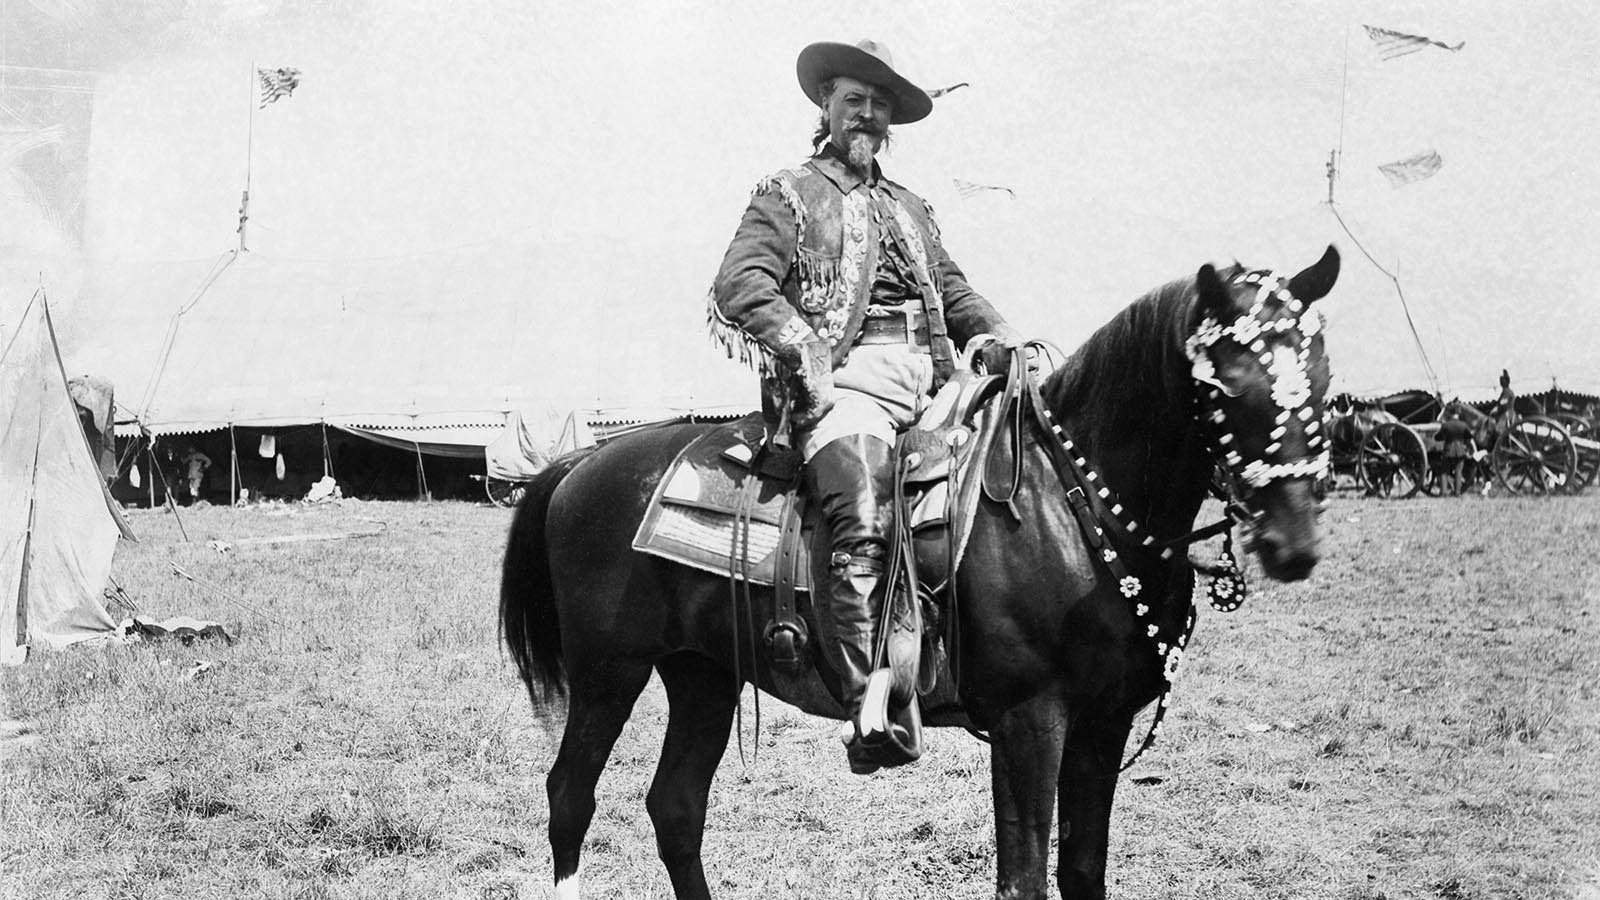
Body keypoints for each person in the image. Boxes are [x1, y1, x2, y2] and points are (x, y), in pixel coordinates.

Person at [710, 39, 1027, 773]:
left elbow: (953, 292)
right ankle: (868, 704)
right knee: (861, 507)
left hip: (936, 376)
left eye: (881, 105)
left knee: (1021, 475)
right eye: (857, 98)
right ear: (826, 103)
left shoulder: (911, 208)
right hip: (848, 382)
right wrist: (803, 349)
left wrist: (1003, 333)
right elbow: (740, 283)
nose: (869, 113)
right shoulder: (788, 193)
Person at [1437, 407, 1475, 496]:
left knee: (1444, 471)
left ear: (1450, 413)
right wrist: (1473, 449)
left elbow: (1439, 437)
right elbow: (1469, 438)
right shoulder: (1463, 425)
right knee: (1458, 471)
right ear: (1458, 414)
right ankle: (1457, 492)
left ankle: (1443, 492)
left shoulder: (1446, 425)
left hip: (1448, 450)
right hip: (1461, 451)